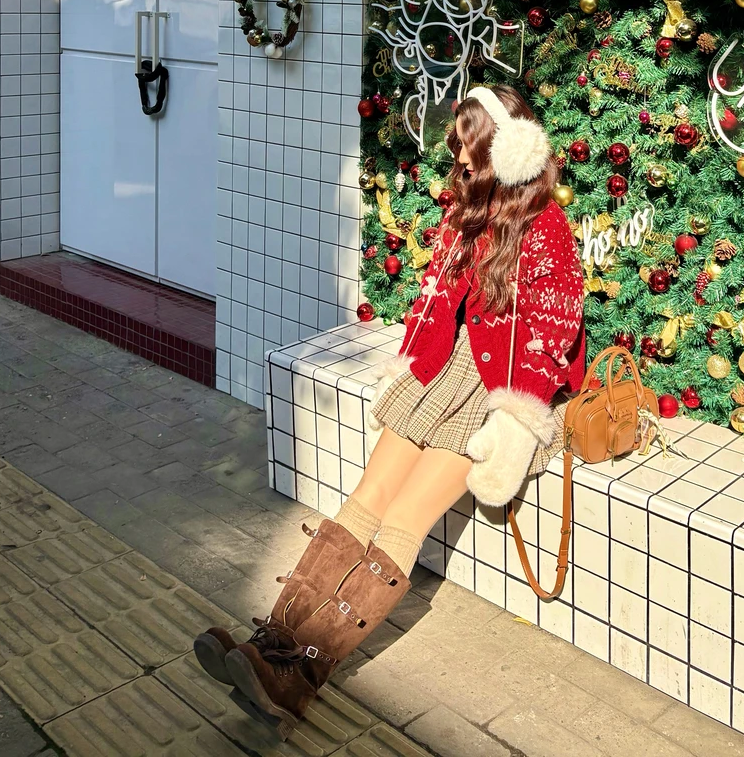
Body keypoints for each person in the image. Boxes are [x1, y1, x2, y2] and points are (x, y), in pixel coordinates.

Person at [192, 83, 585, 736]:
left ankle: (298, 678)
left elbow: (553, 331)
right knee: (364, 500)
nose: (457, 160)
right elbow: (435, 298)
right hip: (443, 371)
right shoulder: (468, 210)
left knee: (403, 521)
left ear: (502, 151)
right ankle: (271, 645)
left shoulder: (545, 228)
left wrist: (514, 425)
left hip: (497, 390)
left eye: (467, 149)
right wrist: (410, 360)